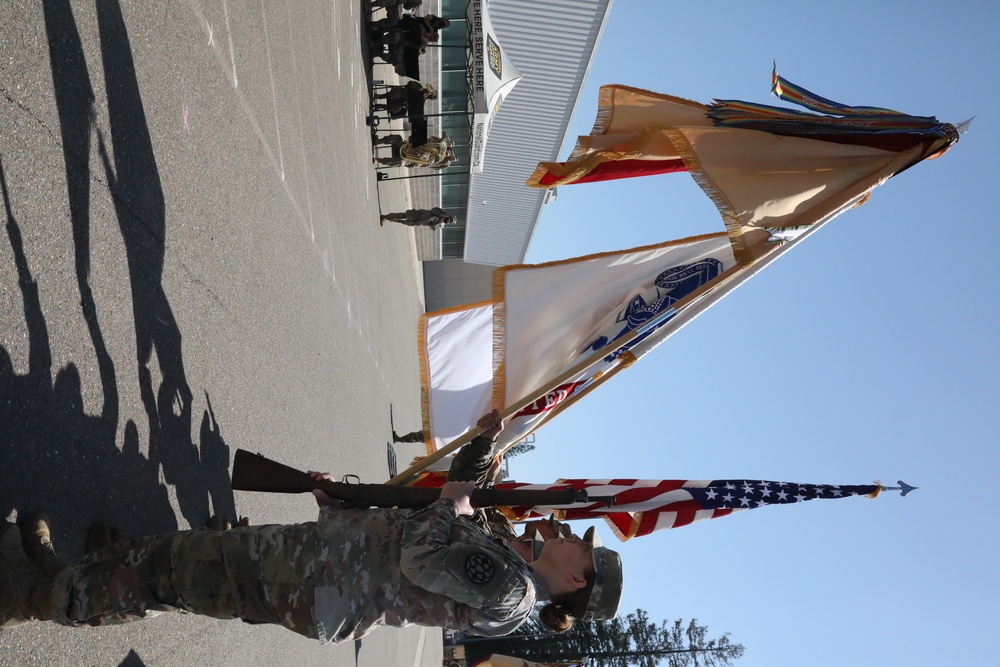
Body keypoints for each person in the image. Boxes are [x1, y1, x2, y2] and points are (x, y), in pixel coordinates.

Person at [1, 413, 623, 642]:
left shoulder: (510, 592)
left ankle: (40, 599)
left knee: (171, 576)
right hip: (318, 563)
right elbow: (431, 520)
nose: (572, 536)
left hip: (310, 582)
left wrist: (448, 509)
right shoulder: (511, 564)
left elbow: (417, 559)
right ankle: (73, 581)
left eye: (582, 549)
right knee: (178, 556)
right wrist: (487, 443)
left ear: (575, 578)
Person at [380, 207, 456, 230]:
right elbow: (433, 209)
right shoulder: (442, 212)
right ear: (449, 216)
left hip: (420, 222)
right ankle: (385, 217)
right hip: (420, 214)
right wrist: (440, 215)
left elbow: (432, 227)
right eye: (450, 218)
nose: (449, 220)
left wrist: (438, 222)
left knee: (404, 222)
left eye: (450, 221)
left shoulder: (441, 225)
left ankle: (389, 219)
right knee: (404, 215)